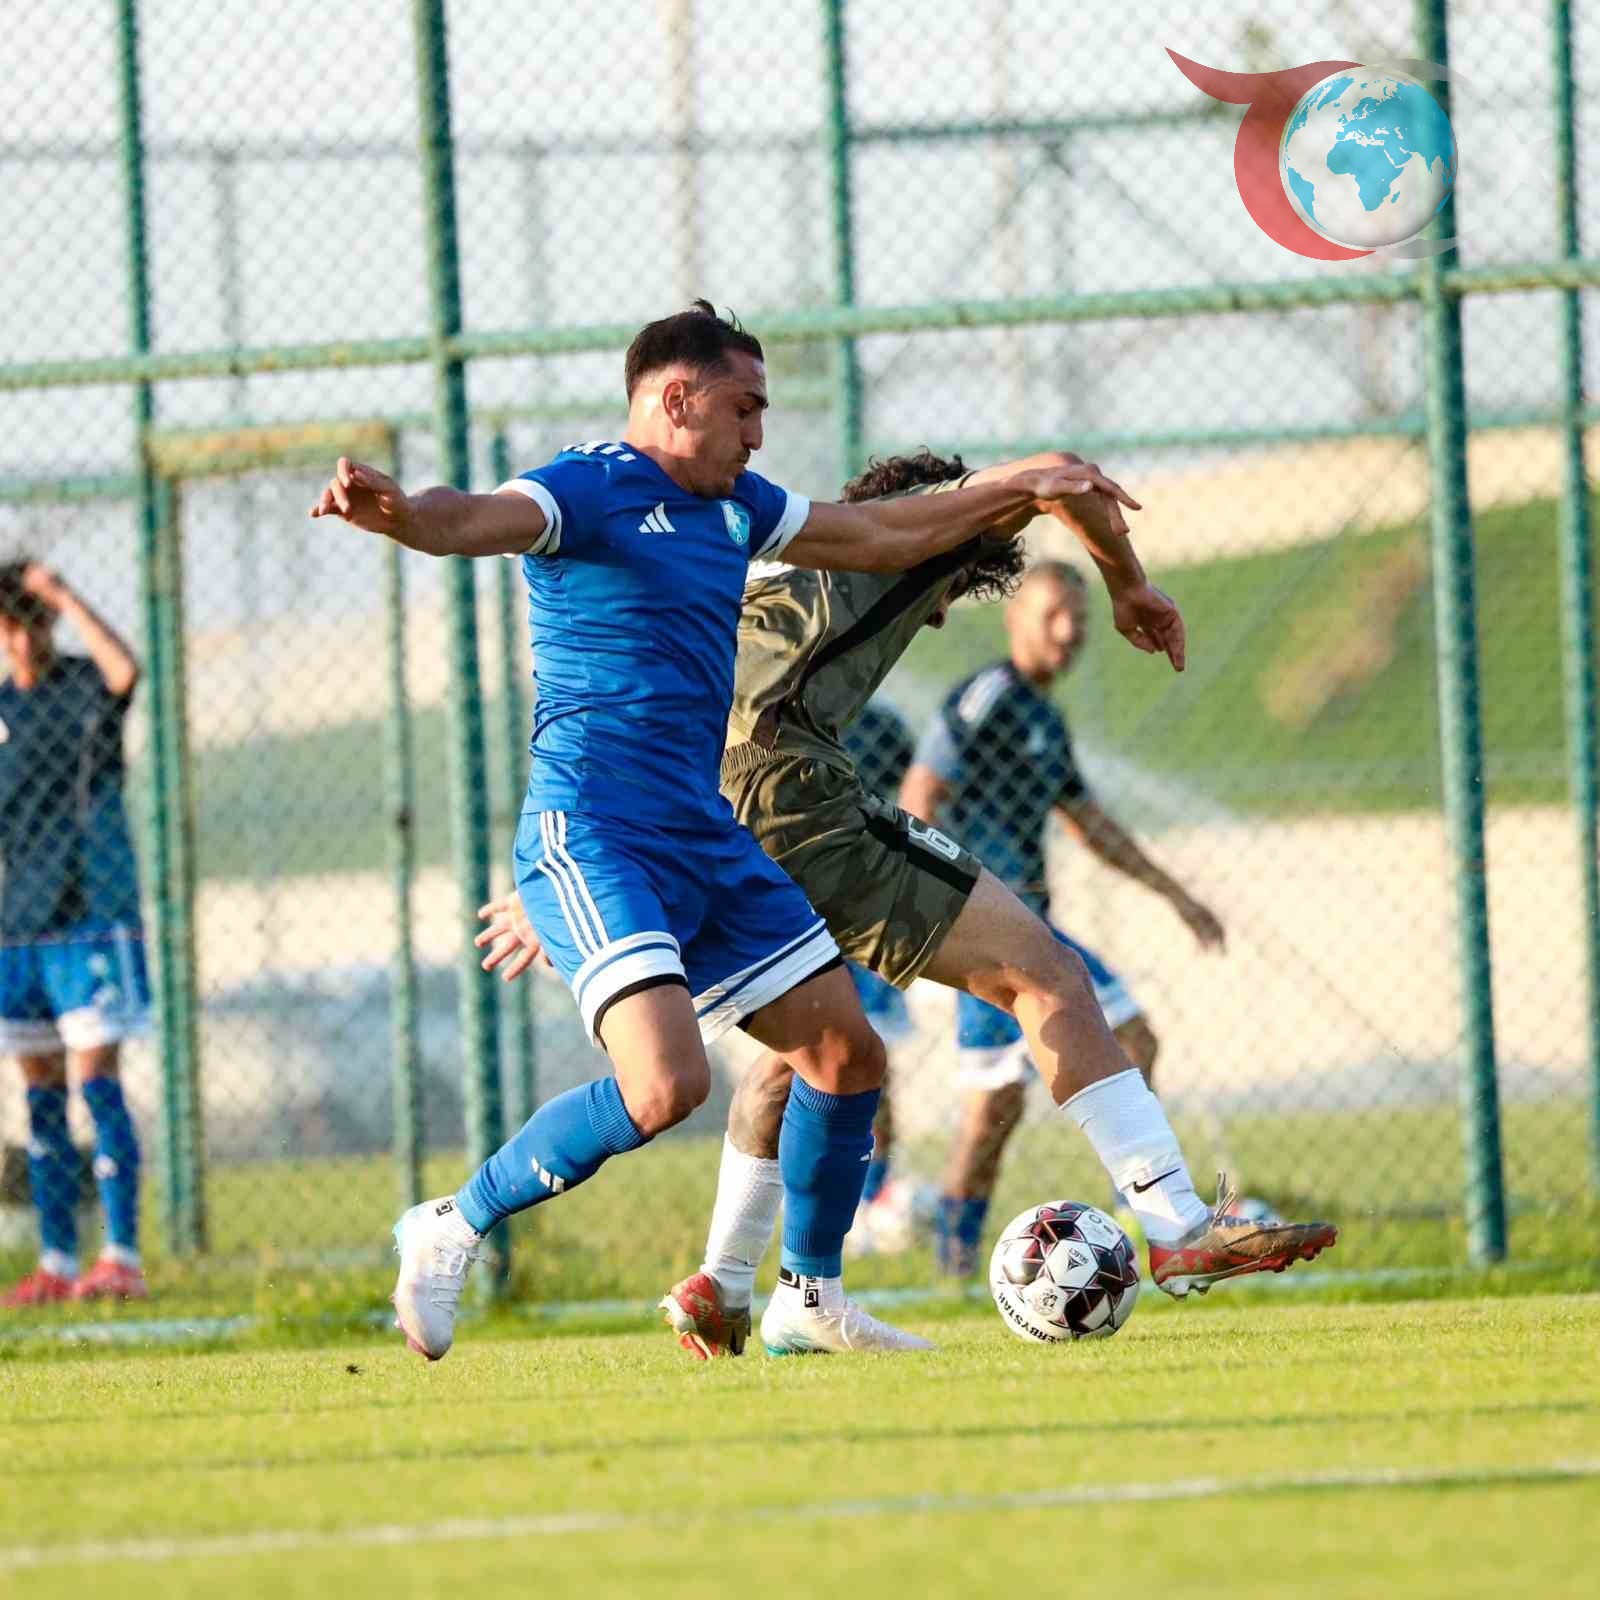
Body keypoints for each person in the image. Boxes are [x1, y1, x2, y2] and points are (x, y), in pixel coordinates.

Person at [312, 302, 1140, 1360]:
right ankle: (451, 1222)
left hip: (705, 835)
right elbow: (466, 519)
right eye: (743, 408)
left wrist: (1032, 482)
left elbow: (881, 534)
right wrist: (398, 515)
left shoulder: (738, 504)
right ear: (676, 398)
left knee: (846, 1052)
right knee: (667, 1087)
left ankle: (811, 1298)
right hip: (595, 832)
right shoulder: (585, 488)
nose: (758, 433)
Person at [477, 448, 1335, 1361]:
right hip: (791, 795)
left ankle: (726, 1283)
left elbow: (642, 694)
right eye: (953, 589)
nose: (934, 615)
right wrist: (1131, 587)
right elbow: (1064, 477)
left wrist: (585, 857)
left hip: (691, 808)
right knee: (1044, 974)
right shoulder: (917, 528)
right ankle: (1174, 1221)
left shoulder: (757, 558)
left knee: (807, 1054)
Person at [900, 560, 1228, 1276]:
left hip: (1037, 929)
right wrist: (939, 903)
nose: (1068, 630)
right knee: (995, 1105)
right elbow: (920, 796)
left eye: (1078, 617)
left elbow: (1089, 823)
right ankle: (956, 1258)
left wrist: (1176, 894)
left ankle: (1142, 1219)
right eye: (1051, 614)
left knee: (1133, 1040)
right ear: (1014, 619)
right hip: (986, 932)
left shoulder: (1045, 717)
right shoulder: (987, 698)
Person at [0, 560, 150, 1305]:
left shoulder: (85, 687)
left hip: (90, 915)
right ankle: (58, 1262)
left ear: (49, 623)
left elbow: (127, 670)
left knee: (97, 1082)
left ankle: (121, 1256)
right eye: (9, 626)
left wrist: (60, 590)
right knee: (42, 1100)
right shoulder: (3, 711)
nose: (22, 640)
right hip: (17, 930)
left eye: (32, 622)